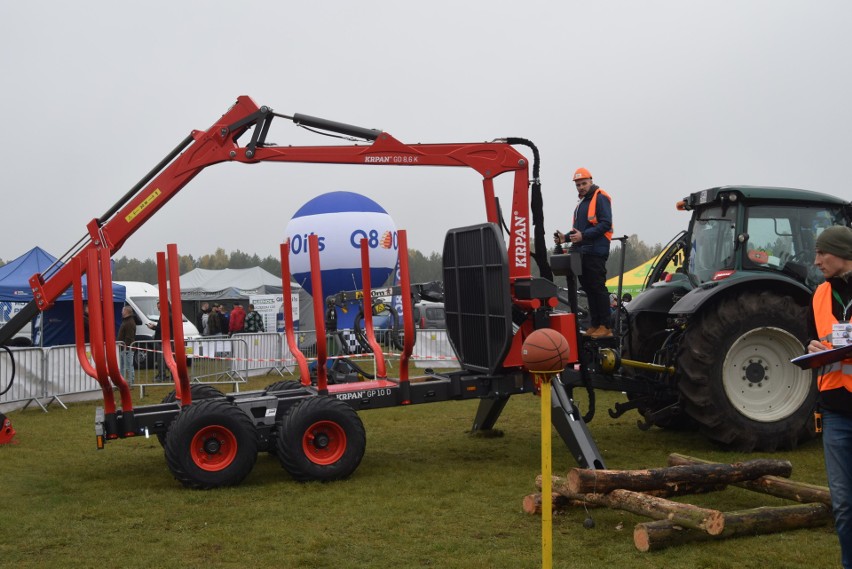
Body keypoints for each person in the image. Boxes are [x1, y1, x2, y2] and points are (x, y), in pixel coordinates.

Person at [805, 225, 852, 568]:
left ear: (843, 254)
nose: (817, 260)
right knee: (844, 504)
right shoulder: (819, 293)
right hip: (835, 410)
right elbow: (814, 338)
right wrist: (813, 348)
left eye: (823, 253)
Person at [553, 167, 614, 339]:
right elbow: (579, 231)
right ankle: (595, 324)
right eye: (578, 184)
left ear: (591, 181)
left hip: (596, 251)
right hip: (583, 251)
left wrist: (583, 236)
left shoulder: (600, 197)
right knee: (588, 288)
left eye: (584, 183)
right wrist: (564, 237)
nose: (581, 187)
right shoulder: (582, 203)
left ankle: (606, 326)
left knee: (597, 288)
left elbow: (605, 224)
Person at [117, 305, 136, 385]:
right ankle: (123, 381)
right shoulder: (126, 321)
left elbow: (129, 336)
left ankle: (131, 382)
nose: (121, 312)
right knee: (123, 366)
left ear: (126, 312)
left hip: (127, 348)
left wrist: (126, 345)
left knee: (128, 366)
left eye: (123, 310)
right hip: (124, 348)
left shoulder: (129, 322)